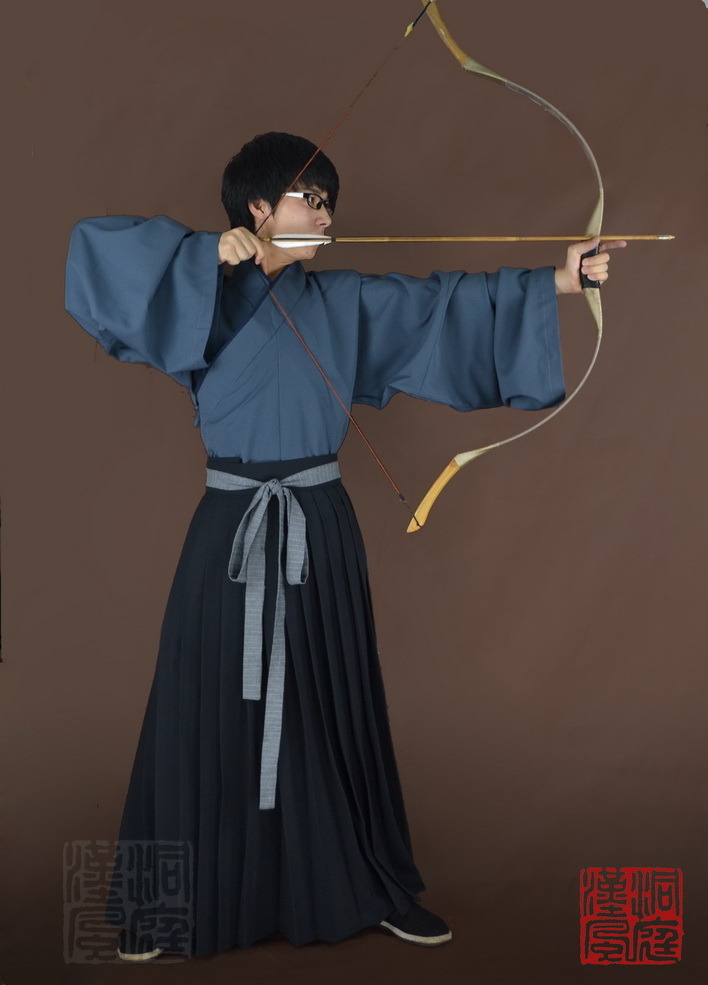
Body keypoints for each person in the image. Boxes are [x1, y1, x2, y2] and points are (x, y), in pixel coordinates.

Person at [65, 131, 625, 961]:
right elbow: (95, 255)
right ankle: (159, 907)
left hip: (317, 524)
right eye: (310, 198)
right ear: (259, 207)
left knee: (330, 707)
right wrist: (201, 253)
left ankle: (368, 885)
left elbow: (445, 305)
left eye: (330, 202)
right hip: (230, 527)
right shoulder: (200, 293)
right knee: (196, 710)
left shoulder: (347, 301)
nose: (326, 215)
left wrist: (562, 278)